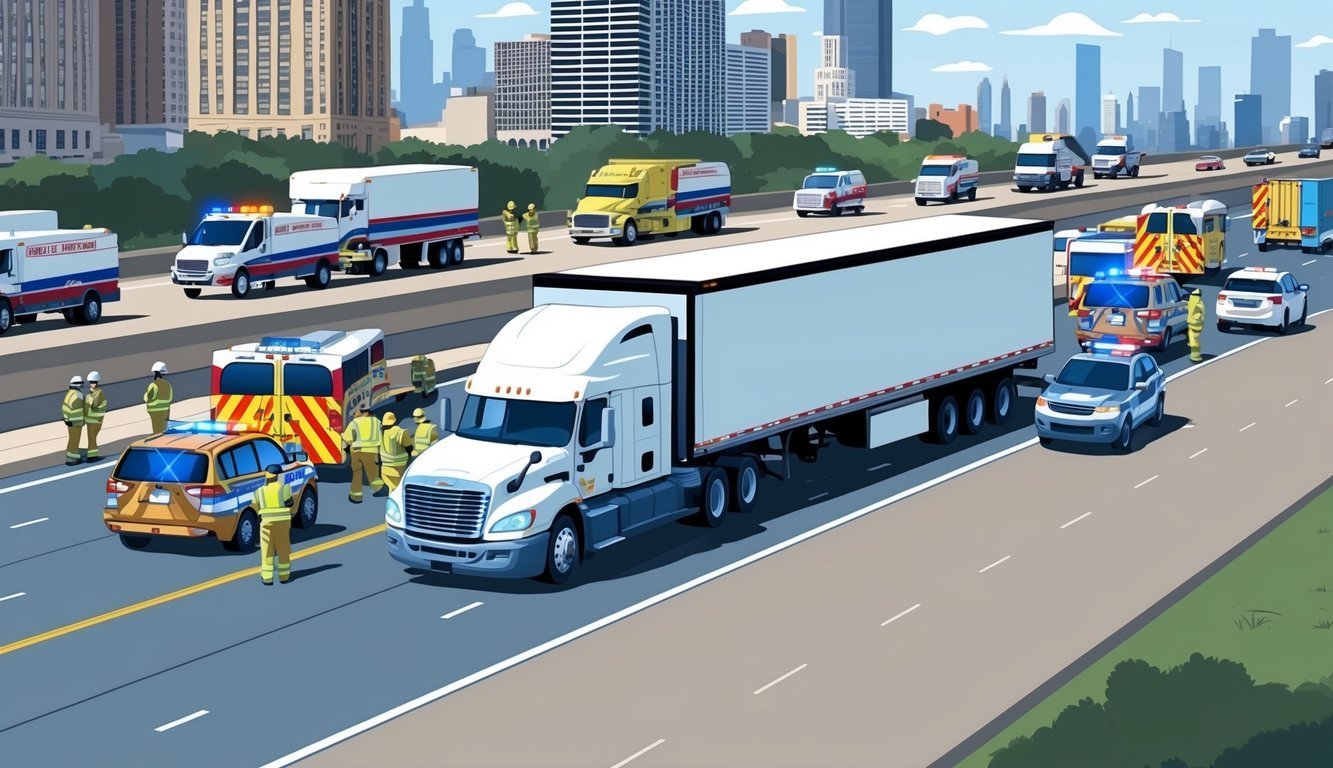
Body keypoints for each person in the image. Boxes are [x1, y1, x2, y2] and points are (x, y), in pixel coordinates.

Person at [256, 464, 294, 585]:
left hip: (266, 523)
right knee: (283, 548)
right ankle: (284, 575)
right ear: (278, 476)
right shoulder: (284, 488)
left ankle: (267, 577)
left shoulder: (259, 491)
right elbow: (289, 503)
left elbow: (255, 506)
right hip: (282, 523)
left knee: (267, 549)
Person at [341, 404, 383, 503]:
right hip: (372, 451)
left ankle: (356, 497)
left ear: (362, 411)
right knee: (373, 474)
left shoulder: (354, 423)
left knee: (357, 474)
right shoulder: (377, 422)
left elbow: (347, 438)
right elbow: (381, 436)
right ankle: (378, 489)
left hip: (357, 451)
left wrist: (344, 439)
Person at [379, 412, 412, 492]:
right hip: (398, 469)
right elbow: (409, 447)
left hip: (385, 470)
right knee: (400, 491)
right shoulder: (399, 432)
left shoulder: (381, 433)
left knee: (392, 490)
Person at [61, 376, 86, 466]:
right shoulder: (78, 394)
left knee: (72, 439)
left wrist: (66, 418)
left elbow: (65, 407)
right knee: (75, 440)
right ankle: (72, 459)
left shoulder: (69, 393)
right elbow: (82, 408)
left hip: (69, 421)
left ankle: (71, 456)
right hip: (76, 422)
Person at [85, 371, 108, 463]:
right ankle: (92, 456)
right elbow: (99, 405)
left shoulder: (95, 393)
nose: (92, 384)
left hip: (95, 419)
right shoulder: (94, 393)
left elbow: (97, 404)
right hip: (94, 419)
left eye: (93, 382)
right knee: (92, 438)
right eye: (91, 382)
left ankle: (91, 455)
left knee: (92, 437)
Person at [143, 361, 173, 434]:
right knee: (164, 429)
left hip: (154, 410)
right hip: (166, 409)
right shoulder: (168, 385)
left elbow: (148, 397)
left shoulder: (153, 385)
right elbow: (171, 397)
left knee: (156, 429)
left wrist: (145, 395)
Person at [1187, 288, 1205, 363]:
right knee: (1195, 340)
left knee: (1192, 339)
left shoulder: (1190, 302)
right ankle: (1195, 355)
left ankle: (1194, 354)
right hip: (1197, 325)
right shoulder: (1199, 303)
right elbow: (1203, 313)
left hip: (1190, 324)